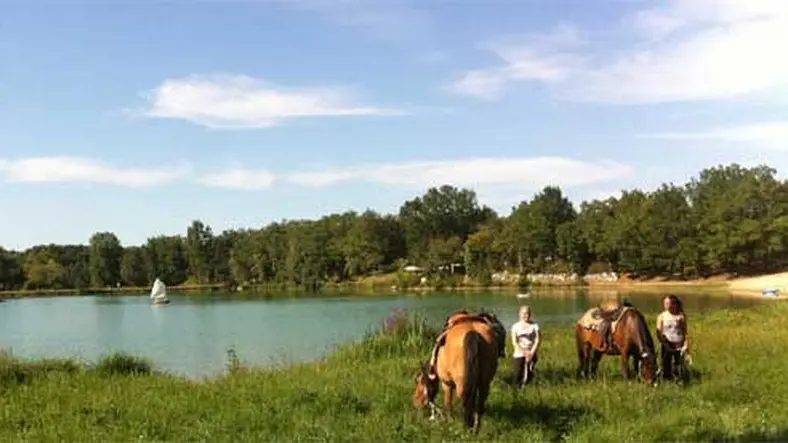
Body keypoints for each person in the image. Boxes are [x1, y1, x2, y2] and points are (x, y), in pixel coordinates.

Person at [656, 294, 689, 381]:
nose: (665, 305)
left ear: (674, 304)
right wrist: (664, 343)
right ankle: (667, 381)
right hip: (667, 344)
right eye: (664, 303)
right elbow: (658, 332)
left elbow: (685, 331)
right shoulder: (661, 316)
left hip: (679, 344)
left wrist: (686, 344)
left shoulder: (681, 316)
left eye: (667, 303)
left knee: (678, 365)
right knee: (666, 365)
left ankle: (680, 380)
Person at [511, 305, 541, 387]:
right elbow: (514, 342)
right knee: (518, 373)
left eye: (527, 313)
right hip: (519, 353)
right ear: (519, 314)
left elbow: (537, 340)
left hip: (531, 352)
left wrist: (531, 353)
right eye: (523, 313)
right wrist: (524, 353)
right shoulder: (515, 326)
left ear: (530, 314)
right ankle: (516, 390)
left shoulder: (535, 326)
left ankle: (528, 389)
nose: (525, 315)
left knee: (529, 373)